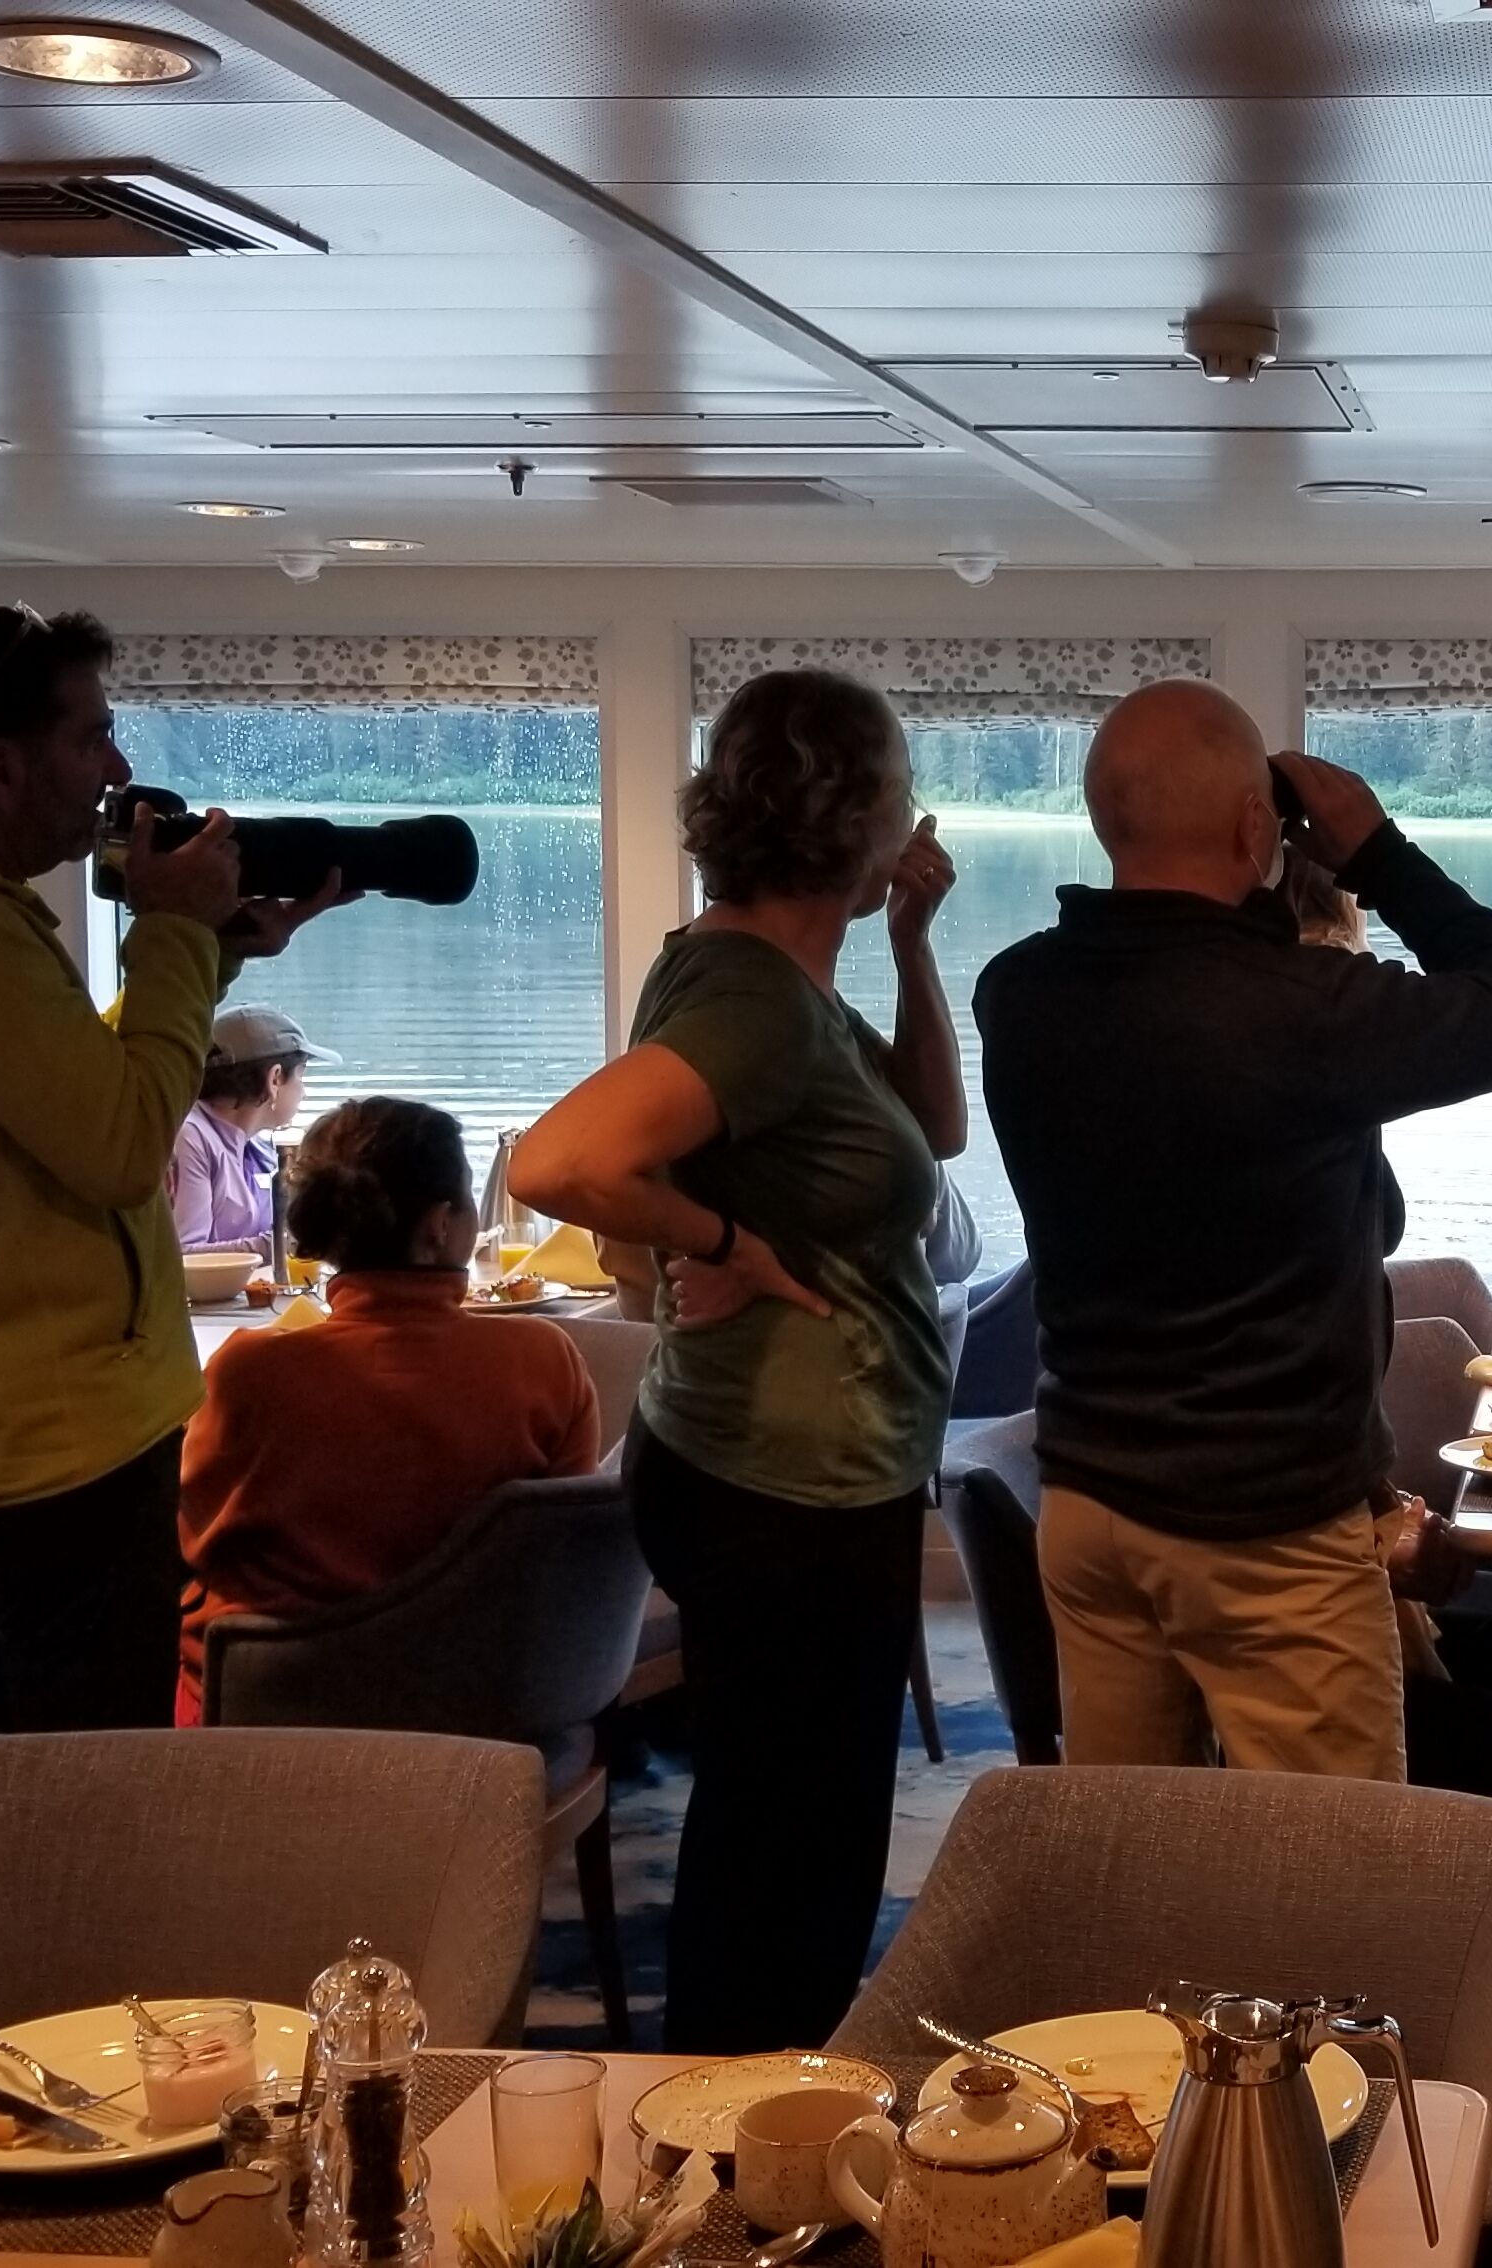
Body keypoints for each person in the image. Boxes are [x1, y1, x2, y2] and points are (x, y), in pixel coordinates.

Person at [975, 679, 1492, 1782]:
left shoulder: (1015, 993)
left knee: (1133, 1841)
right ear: (1259, 826)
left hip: (1090, 1503)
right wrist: (1378, 854)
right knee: (1328, 1862)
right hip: (1268, 1525)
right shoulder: (1302, 1008)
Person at [0, 604, 348, 1769]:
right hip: (57, 1423)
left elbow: (81, 1088)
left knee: (32, 1742)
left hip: (53, 1407)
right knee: (83, 1769)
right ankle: (19, 1893)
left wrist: (212, 946)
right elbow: (120, 1141)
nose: (119, 771)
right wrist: (171, 935)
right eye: (91, 737)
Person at [512, 665, 961, 2054]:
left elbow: (935, 1129)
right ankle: (745, 2115)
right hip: (789, 1487)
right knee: (791, 1849)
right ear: (861, 812)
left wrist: (912, 943)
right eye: (900, 787)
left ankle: (756, 2099)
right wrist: (720, 1240)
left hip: (786, 1468)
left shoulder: (774, 979)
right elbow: (558, 1161)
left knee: (788, 1829)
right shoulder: (755, 999)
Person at [174, 1096, 597, 1723]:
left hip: (273, 1711)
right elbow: (563, 1554)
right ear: (439, 1224)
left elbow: (193, 1540)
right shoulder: (544, 1361)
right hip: (477, 1702)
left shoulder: (247, 1373)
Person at [168, 1005, 334, 1253]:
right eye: (301, 1076)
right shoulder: (190, 1137)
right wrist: (278, 1245)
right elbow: (185, 1255)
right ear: (275, 1078)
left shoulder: (254, 1143)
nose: (304, 1092)